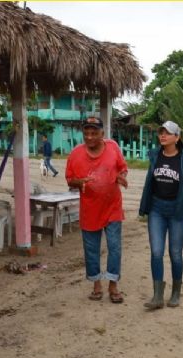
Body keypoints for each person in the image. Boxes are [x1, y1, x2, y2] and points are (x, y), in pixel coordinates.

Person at [65, 117, 128, 303]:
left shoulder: (113, 148)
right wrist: (79, 182)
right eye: (86, 133)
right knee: (91, 250)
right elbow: (69, 180)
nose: (90, 137)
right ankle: (96, 285)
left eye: (94, 133)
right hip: (90, 210)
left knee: (114, 247)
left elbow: (122, 168)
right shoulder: (76, 154)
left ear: (102, 134)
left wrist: (121, 177)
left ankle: (113, 285)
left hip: (112, 208)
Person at [139, 121, 183, 309]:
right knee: (156, 252)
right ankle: (157, 295)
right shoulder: (155, 155)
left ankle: (175, 292)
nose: (163, 136)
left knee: (175, 253)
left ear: (177, 137)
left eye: (167, 133)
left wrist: (182, 197)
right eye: (161, 132)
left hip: (178, 211)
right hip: (157, 208)